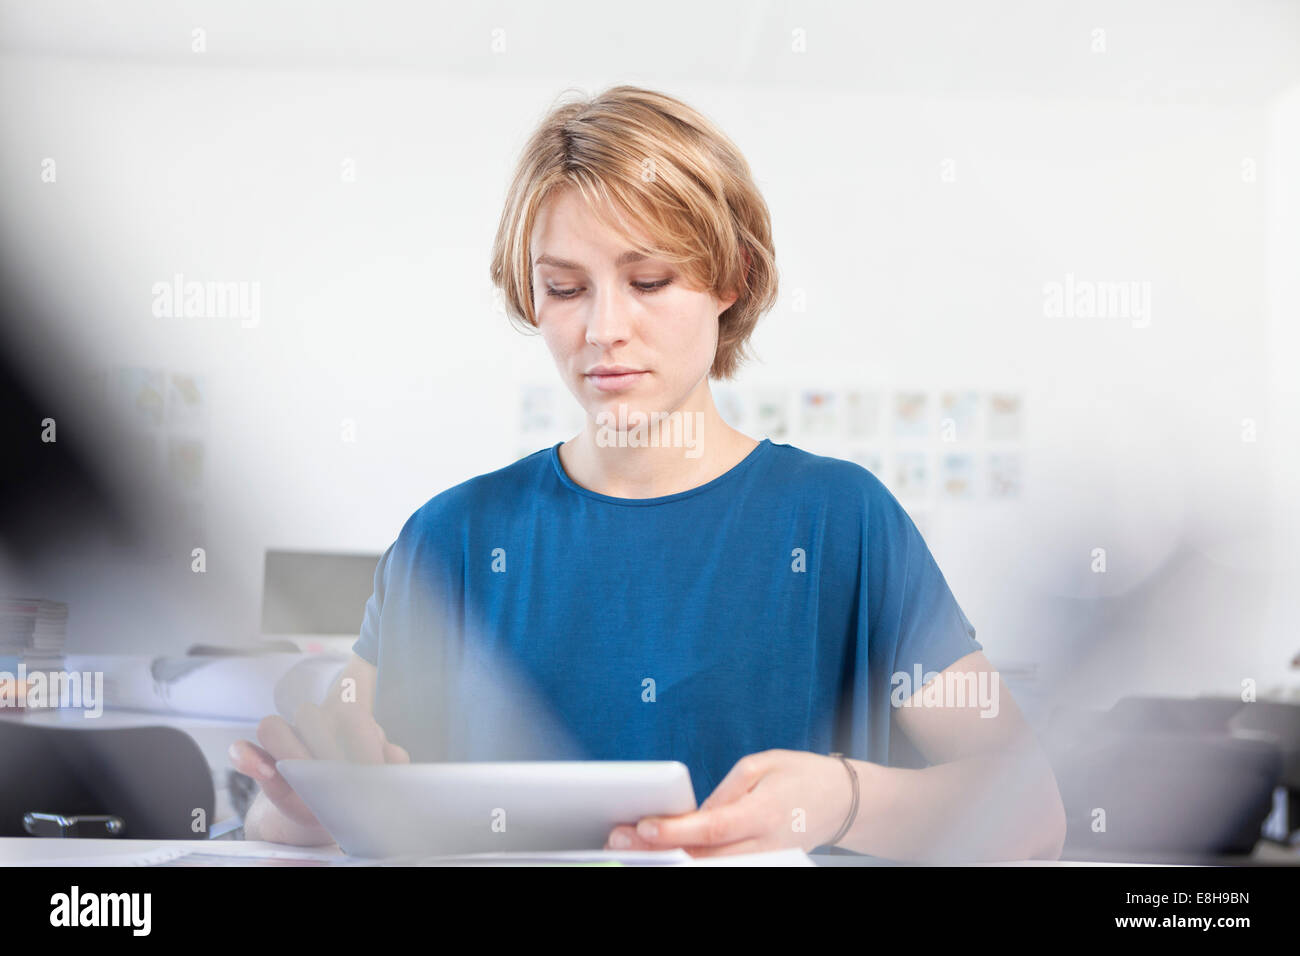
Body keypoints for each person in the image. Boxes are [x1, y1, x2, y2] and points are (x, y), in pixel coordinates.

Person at [230, 85, 1066, 860]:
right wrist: (303, 810)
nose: (604, 329)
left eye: (649, 280)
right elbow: (303, 804)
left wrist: (840, 799)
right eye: (564, 289)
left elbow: (1031, 813)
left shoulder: (840, 522)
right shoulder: (452, 538)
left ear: (731, 279)